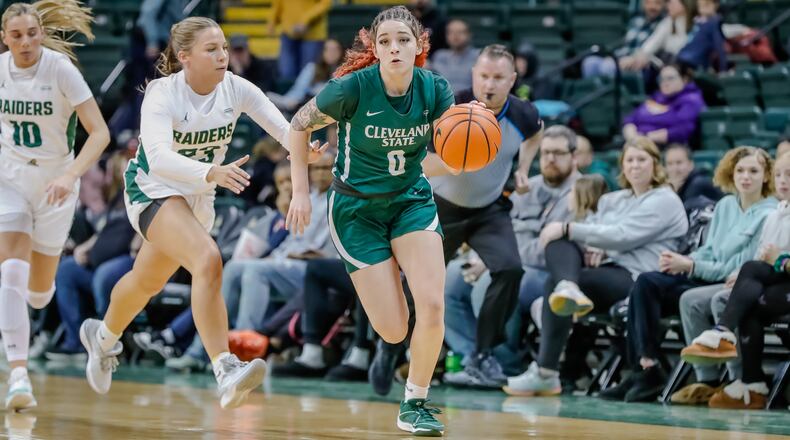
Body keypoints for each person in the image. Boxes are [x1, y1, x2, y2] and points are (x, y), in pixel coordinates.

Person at [77, 17, 325, 409]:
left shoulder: (236, 88)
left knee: (146, 281)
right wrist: (212, 171)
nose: (222, 55)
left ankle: (103, 337)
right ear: (185, 56)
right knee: (208, 259)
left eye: (224, 47)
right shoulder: (163, 94)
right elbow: (158, 158)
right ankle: (224, 368)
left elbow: (284, 128)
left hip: (197, 196)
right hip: (153, 188)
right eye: (212, 49)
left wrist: (304, 150)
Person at [285, 6, 457, 436]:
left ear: (419, 45)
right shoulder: (351, 89)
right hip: (356, 211)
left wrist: (460, 156)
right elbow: (297, 125)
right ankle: (387, 333)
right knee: (395, 329)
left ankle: (414, 402)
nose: (394, 47)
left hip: (409, 201)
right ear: (374, 48)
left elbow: (444, 156)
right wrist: (302, 192)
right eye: (384, 41)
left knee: (433, 305)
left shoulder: (435, 89)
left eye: (402, 39)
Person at [504, 137, 688, 397]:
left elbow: (622, 234)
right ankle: (566, 292)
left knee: (561, 242)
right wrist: (593, 243)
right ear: (622, 166)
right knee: (558, 263)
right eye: (630, 160)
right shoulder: (615, 199)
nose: (635, 166)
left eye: (642, 160)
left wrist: (574, 231)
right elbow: (598, 229)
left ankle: (547, 370)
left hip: (641, 279)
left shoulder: (664, 199)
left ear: (655, 165)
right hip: (609, 271)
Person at [0, 1, 110, 410]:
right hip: (9, 178)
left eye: (31, 33)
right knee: (10, 268)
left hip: (55, 184)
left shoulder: (61, 70)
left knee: (39, 293)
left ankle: (30, 306)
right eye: (16, 35)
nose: (25, 41)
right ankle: (18, 376)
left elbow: (99, 134)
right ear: (4, 39)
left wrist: (70, 176)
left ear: (41, 34)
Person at [600, 146, 776, 403]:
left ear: (766, 175)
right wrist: (686, 260)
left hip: (729, 281)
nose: (745, 176)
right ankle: (645, 367)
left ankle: (733, 379)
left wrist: (691, 267)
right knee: (647, 281)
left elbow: (741, 267)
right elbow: (709, 249)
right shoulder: (726, 204)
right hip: (706, 273)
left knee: (692, 298)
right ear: (731, 173)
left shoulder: (768, 213)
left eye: (753, 171)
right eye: (740, 170)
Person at [444, 125, 578, 379]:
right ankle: (470, 358)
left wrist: (492, 260)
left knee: (493, 282)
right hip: (504, 259)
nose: (550, 159)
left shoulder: (582, 191)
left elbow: (556, 249)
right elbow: (498, 227)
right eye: (546, 152)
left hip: (545, 273)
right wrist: (480, 256)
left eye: (558, 153)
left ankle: (502, 364)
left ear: (574, 155)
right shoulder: (527, 187)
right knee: (450, 278)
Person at [679, 152, 790, 409]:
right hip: (779, 285)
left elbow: (775, 262)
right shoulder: (778, 213)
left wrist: (781, 260)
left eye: (789, 175)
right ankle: (752, 385)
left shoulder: (768, 211)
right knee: (749, 297)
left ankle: (723, 334)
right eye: (779, 175)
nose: (783, 181)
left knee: (750, 271)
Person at [622, 64, 705, 146]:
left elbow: (682, 130)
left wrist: (645, 138)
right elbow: (630, 119)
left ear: (684, 79)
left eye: (670, 78)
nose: (665, 83)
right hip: (638, 143)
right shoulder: (657, 97)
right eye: (661, 79)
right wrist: (632, 138)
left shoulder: (691, 100)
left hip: (669, 148)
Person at [583, 0, 666, 78]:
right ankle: (591, 89)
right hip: (622, 57)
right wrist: (613, 56)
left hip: (639, 63)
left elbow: (652, 52)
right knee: (590, 62)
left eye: (657, 3)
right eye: (648, 3)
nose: (652, 7)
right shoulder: (636, 20)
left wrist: (632, 58)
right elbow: (625, 44)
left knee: (608, 66)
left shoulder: (663, 25)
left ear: (664, 5)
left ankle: (610, 93)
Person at [268, 38, 345, 113]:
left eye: (335, 50)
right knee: (269, 96)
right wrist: (291, 102)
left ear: (341, 52)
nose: (331, 53)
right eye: (327, 49)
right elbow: (298, 90)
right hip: (301, 103)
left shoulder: (345, 71)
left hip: (324, 108)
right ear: (322, 52)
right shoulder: (312, 67)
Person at [619, 0, 693, 72]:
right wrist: (636, 58)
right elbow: (650, 46)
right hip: (666, 66)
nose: (668, 6)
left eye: (671, 2)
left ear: (684, 4)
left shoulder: (696, 24)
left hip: (684, 67)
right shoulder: (668, 22)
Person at [268, 0, 331, 80]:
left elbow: (324, 3)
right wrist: (272, 21)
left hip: (312, 35)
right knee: (286, 73)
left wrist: (305, 20)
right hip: (288, 32)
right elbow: (278, 3)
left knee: (308, 75)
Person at [664, 143, 723, 208]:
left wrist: (674, 191)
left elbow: (681, 212)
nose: (674, 168)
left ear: (691, 164)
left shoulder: (698, 184)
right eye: (670, 164)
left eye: (679, 162)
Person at [429, 19, 479, 92]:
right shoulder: (439, 55)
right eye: (450, 32)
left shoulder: (478, 56)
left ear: (469, 35)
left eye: (460, 32)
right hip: (442, 100)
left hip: (469, 100)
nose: (455, 35)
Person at [677, 0, 727, 72]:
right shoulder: (698, 22)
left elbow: (719, 47)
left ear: (715, 5)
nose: (701, 6)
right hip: (686, 59)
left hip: (691, 61)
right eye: (700, 4)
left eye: (706, 4)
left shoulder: (713, 22)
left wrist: (723, 69)